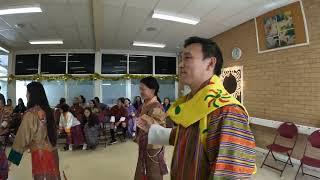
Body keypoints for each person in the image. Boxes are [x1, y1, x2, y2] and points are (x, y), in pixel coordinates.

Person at [144, 37, 256, 179]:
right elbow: (187, 139)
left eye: (187, 58)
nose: (180, 65)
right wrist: (153, 130)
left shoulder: (227, 111)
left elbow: (233, 174)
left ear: (210, 63)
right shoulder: (193, 102)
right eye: (181, 59)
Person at [8, 81, 61, 179]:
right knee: (54, 177)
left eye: (27, 92)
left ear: (32, 94)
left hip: (40, 155)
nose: (26, 95)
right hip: (53, 152)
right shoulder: (49, 111)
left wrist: (11, 159)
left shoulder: (31, 114)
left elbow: (22, 137)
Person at [134, 76, 168, 180]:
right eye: (140, 89)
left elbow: (161, 132)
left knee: (153, 172)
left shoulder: (156, 106)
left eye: (143, 89)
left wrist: (146, 123)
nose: (140, 92)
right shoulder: (146, 103)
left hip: (153, 147)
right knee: (143, 170)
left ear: (152, 90)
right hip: (145, 144)